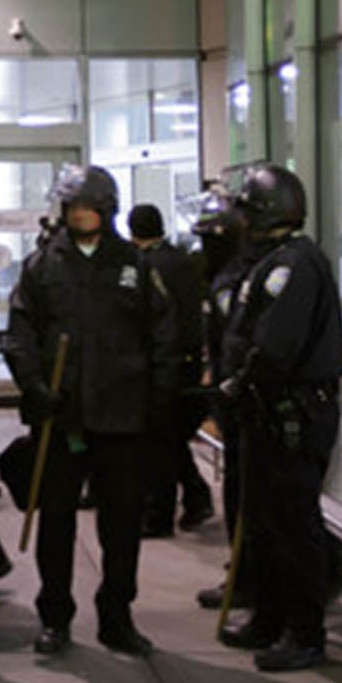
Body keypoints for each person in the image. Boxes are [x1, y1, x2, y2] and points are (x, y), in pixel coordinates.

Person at [5, 165, 178, 659]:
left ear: (107, 210)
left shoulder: (134, 265)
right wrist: (35, 387)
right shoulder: (42, 266)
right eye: (74, 207)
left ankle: (117, 617)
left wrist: (157, 401)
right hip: (62, 418)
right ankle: (54, 618)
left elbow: (163, 335)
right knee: (55, 522)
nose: (81, 214)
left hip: (121, 418)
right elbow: (20, 333)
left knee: (122, 526)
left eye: (91, 207)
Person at [219, 164, 342, 672]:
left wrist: (242, 380)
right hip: (265, 413)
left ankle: (305, 632)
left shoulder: (294, 266)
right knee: (264, 522)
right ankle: (268, 618)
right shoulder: (269, 262)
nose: (239, 220)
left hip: (292, 413)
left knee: (295, 528)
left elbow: (275, 345)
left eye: (245, 210)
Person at [129, 203, 216, 538]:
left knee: (159, 442)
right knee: (174, 437)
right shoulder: (182, 260)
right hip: (190, 361)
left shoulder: (145, 266)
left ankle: (162, 512)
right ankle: (195, 496)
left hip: (164, 362)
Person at [194, 181, 259, 615]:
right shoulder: (220, 276)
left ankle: (252, 580)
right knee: (238, 496)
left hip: (253, 403)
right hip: (231, 399)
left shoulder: (250, 274)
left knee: (255, 500)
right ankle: (243, 573)